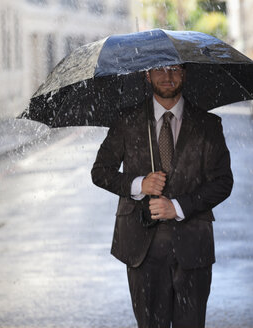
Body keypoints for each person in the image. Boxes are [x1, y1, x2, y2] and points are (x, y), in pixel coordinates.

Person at [91, 64, 233, 328]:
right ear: (147, 75)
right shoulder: (127, 121)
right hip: (141, 247)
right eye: (159, 70)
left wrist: (178, 206)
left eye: (175, 69)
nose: (167, 77)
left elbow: (223, 182)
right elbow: (100, 172)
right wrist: (139, 184)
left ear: (185, 74)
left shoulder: (208, 124)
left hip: (193, 245)